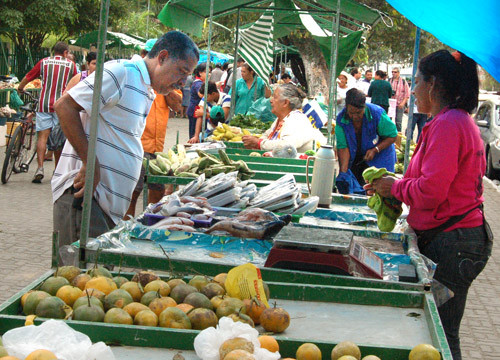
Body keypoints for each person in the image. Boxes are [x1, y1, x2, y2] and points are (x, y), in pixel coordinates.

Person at [366, 50, 492, 360]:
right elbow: (431, 182)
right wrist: (395, 187)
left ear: (433, 85)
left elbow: (432, 191)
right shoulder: (450, 121)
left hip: (454, 244)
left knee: (442, 335)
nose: (414, 89)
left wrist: (395, 187)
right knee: (440, 331)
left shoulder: (450, 124)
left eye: (417, 81)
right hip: (455, 240)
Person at [52, 31, 198, 262]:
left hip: (105, 207)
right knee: (80, 280)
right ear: (162, 57)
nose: (182, 82)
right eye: (182, 71)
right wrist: (91, 163)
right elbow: (64, 106)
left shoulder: (146, 87)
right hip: (86, 200)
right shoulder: (122, 73)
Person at [125, 39, 184, 218]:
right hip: (138, 144)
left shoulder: (165, 84)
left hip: (156, 147)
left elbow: (177, 105)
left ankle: (149, 220)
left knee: (157, 189)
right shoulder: (134, 78)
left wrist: (165, 84)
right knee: (133, 192)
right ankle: (126, 223)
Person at [17, 41, 77, 183]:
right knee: (57, 140)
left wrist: (20, 87)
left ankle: (40, 168)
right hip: (60, 106)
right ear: (64, 53)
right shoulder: (70, 65)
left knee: (42, 137)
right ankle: (57, 172)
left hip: (44, 104)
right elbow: (77, 81)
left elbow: (29, 76)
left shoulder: (44, 62)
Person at [336, 88, 397, 186]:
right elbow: (343, 147)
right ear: (346, 107)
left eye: (359, 113)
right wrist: (343, 172)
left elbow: (393, 136)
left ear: (364, 107)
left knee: (380, 189)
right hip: (358, 158)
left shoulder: (377, 114)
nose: (355, 116)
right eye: (351, 112)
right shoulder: (341, 119)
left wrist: (375, 149)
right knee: (355, 187)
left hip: (381, 157)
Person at [242, 84, 326, 153]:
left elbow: (287, 145)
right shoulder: (280, 120)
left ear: (286, 102)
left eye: (275, 97)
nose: (271, 100)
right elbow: (267, 135)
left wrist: (259, 143)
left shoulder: (297, 119)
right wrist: (257, 142)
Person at [186, 63, 208, 139]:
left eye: (210, 72)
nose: (209, 74)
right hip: (195, 111)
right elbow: (201, 95)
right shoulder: (198, 83)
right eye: (206, 71)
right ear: (200, 73)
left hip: (197, 110)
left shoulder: (202, 83)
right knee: (194, 134)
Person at [389, 67, 410, 131]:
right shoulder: (389, 80)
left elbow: (407, 94)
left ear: (398, 73)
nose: (393, 73)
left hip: (399, 104)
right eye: (392, 72)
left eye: (395, 72)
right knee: (388, 121)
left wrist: (403, 103)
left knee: (398, 122)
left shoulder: (403, 82)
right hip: (390, 104)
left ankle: (398, 138)